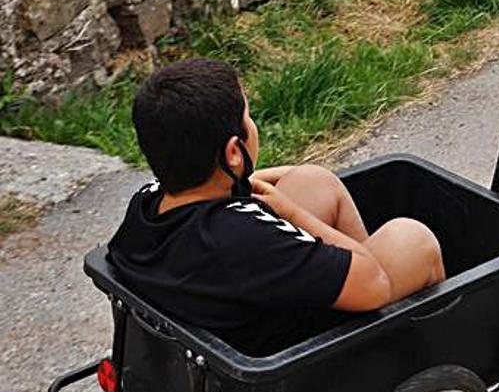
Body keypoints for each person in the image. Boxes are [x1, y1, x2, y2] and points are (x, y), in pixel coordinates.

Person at [107, 58, 445, 355]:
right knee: (412, 238)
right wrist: (295, 215)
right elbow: (375, 282)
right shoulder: (246, 240)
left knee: (314, 181)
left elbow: (228, 200)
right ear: (233, 152)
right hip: (293, 359)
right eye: (248, 117)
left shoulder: (147, 202)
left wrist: (266, 184)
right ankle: (410, 348)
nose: (253, 125)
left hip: (221, 329)